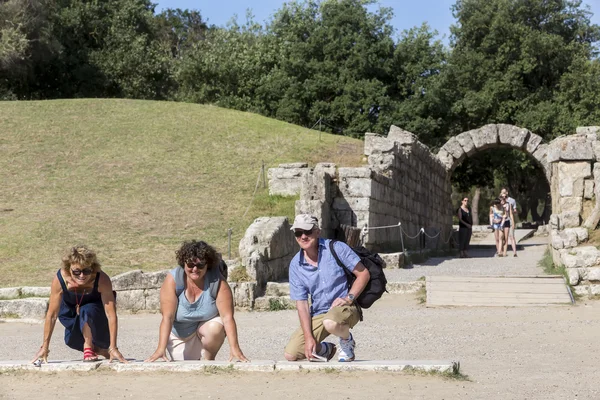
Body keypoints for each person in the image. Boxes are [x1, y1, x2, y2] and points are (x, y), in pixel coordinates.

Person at [284, 214, 370, 362]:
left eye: (308, 231)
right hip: (319, 313)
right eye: (298, 233)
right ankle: (326, 349)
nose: (303, 236)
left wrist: (348, 298)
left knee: (331, 322)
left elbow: (363, 274)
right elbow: (302, 305)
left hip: (346, 307)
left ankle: (347, 341)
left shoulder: (336, 248)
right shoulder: (295, 265)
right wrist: (309, 338)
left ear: (317, 232)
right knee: (291, 354)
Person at [145, 240, 248, 362]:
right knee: (185, 368)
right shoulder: (173, 280)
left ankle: (209, 360)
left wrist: (234, 348)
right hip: (181, 334)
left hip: (205, 328)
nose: (195, 269)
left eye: (200, 265)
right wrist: (160, 349)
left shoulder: (217, 282)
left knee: (215, 328)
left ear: (207, 265)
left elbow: (227, 317)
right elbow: (167, 317)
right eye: (190, 265)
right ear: (183, 263)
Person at [31, 245, 127, 364]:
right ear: (68, 269)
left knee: (86, 309)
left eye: (86, 271)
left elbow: (111, 314)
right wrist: (44, 347)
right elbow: (52, 315)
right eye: (77, 271)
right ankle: (99, 350)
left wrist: (114, 347)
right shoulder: (60, 280)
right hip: (70, 313)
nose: (82, 276)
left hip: (96, 314)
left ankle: (89, 347)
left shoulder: (101, 279)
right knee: (71, 340)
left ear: (93, 268)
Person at [500, 188, 518, 257]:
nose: (503, 194)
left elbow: (514, 210)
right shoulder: (500, 201)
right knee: (503, 237)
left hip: (509, 220)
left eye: (504, 192)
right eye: (502, 192)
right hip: (502, 221)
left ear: (507, 193)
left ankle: (515, 252)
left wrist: (513, 222)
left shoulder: (512, 201)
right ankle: (502, 251)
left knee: (512, 236)